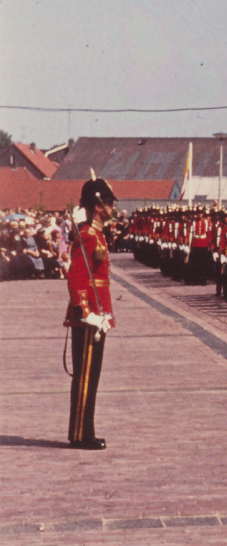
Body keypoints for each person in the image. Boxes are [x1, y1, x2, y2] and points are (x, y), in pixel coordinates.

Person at [64, 177, 118, 450]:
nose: (111, 207)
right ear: (97, 206)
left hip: (97, 315)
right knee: (85, 377)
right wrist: (86, 312)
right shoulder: (87, 234)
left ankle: (85, 431)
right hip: (88, 318)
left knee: (91, 376)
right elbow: (76, 278)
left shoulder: (96, 234)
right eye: (108, 203)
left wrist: (105, 314)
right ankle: (79, 435)